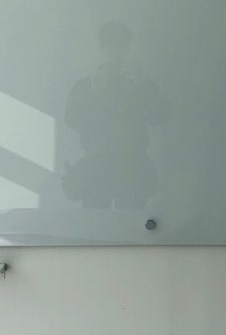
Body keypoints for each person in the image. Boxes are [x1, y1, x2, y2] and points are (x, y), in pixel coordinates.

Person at [63, 22, 168, 209]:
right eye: (110, 48)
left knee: (129, 222)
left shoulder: (141, 83)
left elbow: (159, 116)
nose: (116, 55)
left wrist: (142, 84)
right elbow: (71, 118)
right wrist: (94, 89)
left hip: (133, 166)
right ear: (101, 49)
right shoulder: (86, 85)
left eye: (121, 48)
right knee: (95, 221)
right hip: (97, 167)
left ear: (129, 49)